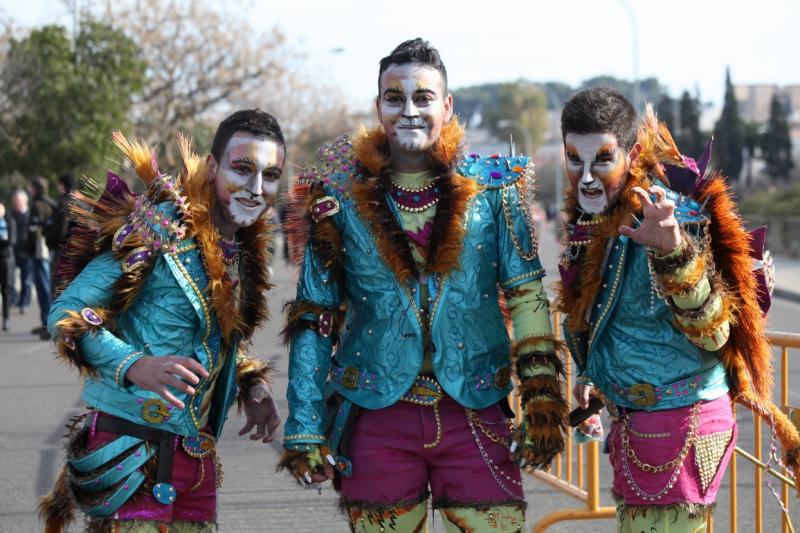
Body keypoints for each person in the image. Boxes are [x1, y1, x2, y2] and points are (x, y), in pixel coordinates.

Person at [280, 38, 566, 532]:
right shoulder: (337, 198)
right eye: (395, 99)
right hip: (375, 413)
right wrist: (304, 424)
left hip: (474, 407)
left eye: (423, 98)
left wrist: (541, 395)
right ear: (378, 107)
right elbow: (314, 316)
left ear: (447, 106)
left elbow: (525, 294)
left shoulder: (495, 191)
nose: (409, 110)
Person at [555, 87, 800, 532]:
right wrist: (594, 377)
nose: (587, 176)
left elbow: (715, 333)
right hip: (635, 428)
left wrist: (673, 250)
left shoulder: (672, 215)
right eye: (575, 159)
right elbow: (621, 322)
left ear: (631, 153)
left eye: (602, 160)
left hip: (682, 425)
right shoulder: (597, 220)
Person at [39, 109, 283, 532]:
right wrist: (136, 365)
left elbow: (215, 336)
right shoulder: (159, 225)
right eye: (242, 169)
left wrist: (252, 381)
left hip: (197, 458)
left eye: (271, 174)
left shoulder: (243, 252)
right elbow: (66, 313)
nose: (255, 187)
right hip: (127, 450)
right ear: (212, 166)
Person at [28, 176, 56, 339]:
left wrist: (29, 247)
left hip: (40, 250)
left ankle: (47, 321)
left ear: (37, 188)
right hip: (45, 248)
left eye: (31, 188)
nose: (29, 191)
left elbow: (36, 230)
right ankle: (46, 320)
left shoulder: (39, 205)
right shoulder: (50, 203)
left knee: (43, 286)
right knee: (45, 285)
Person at [10, 189, 31, 314]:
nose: (16, 203)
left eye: (19, 200)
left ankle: (24, 303)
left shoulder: (30, 215)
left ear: (25, 201)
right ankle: (14, 300)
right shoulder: (11, 215)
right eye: (15, 200)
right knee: (10, 280)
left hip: (27, 253)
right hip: (13, 252)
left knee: (26, 280)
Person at [0, 201, 15, 331]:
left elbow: (11, 241)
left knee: (5, 290)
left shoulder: (9, 221)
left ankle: (6, 318)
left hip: (5, 260)